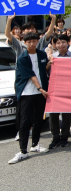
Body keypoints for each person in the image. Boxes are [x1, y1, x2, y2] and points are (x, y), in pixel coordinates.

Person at [9, 33, 50, 164]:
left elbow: (43, 70)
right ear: (25, 43)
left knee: (38, 120)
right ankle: (22, 151)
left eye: (34, 41)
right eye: (29, 41)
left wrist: (51, 63)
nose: (32, 43)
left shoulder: (42, 54)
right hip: (27, 93)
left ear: (38, 41)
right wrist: (40, 88)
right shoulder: (22, 58)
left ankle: (35, 145)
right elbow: (31, 75)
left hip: (40, 93)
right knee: (25, 122)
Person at [47, 34, 71, 148]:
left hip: (68, 88)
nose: (61, 45)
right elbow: (45, 72)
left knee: (67, 114)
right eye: (58, 43)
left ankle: (64, 137)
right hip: (54, 89)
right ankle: (55, 137)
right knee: (53, 115)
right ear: (55, 44)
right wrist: (49, 64)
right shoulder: (52, 56)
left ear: (67, 43)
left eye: (63, 42)